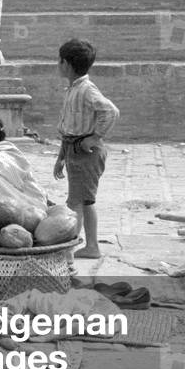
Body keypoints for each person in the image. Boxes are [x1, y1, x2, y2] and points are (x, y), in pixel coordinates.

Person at [53, 38, 120, 259]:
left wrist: (94, 137)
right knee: (81, 200)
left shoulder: (86, 90)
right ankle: (84, 244)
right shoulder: (73, 89)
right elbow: (69, 130)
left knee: (78, 202)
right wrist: (61, 157)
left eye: (60, 61)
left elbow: (110, 112)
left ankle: (82, 246)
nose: (58, 65)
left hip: (86, 153)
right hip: (74, 150)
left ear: (68, 64)